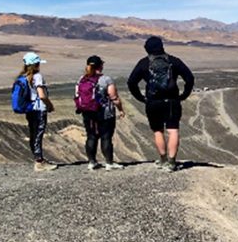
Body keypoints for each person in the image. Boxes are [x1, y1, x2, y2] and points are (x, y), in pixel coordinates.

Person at [127, 36, 194, 172]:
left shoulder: (144, 63)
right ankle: (172, 162)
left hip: (153, 102)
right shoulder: (174, 61)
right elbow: (189, 78)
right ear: (162, 46)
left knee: (158, 130)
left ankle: (163, 159)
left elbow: (131, 82)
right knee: (173, 130)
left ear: (147, 49)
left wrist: (141, 98)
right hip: (172, 101)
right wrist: (184, 95)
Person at [75, 55, 126, 171]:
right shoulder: (106, 79)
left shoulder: (81, 79)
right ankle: (109, 163)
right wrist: (121, 109)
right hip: (105, 113)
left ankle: (92, 162)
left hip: (87, 112)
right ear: (100, 66)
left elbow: (77, 96)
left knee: (91, 136)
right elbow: (114, 97)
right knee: (106, 137)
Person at [19, 52, 58, 171]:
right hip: (39, 109)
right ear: (35, 65)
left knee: (33, 134)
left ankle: (37, 158)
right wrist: (50, 105)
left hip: (30, 109)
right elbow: (41, 95)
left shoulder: (23, 76)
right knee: (38, 135)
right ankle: (39, 162)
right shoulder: (37, 76)